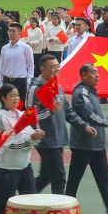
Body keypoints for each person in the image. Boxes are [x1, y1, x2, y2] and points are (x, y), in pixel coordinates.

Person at [64, 64, 108, 214]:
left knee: (104, 178)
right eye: (93, 72)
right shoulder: (81, 92)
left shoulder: (90, 91)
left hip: (96, 144)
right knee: (74, 179)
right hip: (83, 145)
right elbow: (90, 115)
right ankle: (65, 208)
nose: (97, 75)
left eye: (97, 72)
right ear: (84, 75)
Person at [0, 84, 43, 214]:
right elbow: (9, 144)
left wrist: (36, 135)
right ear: (3, 98)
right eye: (12, 96)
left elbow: (30, 136)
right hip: (7, 168)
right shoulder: (1, 118)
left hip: (25, 166)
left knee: (31, 201)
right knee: (4, 202)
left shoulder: (21, 114)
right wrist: (31, 139)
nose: (16, 98)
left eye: (17, 95)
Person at [31, 56, 69, 194]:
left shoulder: (57, 86)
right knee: (59, 177)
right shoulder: (36, 88)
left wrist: (84, 125)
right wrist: (50, 111)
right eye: (53, 67)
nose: (57, 69)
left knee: (46, 176)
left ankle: (26, 195)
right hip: (46, 139)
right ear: (42, 69)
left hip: (58, 137)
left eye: (58, 66)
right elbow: (31, 116)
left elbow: (67, 110)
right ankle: (59, 206)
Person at [0, 29, 35, 105]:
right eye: (9, 31)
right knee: (6, 106)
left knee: (20, 106)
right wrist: (0, 81)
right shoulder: (4, 48)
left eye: (13, 31)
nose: (10, 33)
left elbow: (30, 65)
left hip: (20, 82)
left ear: (19, 33)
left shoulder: (26, 48)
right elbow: (2, 66)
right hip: (7, 81)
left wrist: (29, 80)